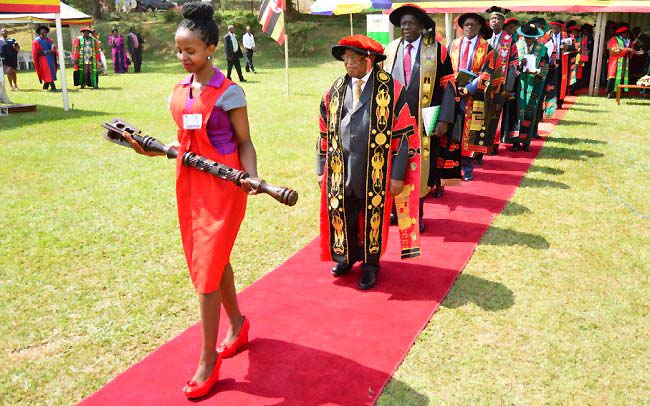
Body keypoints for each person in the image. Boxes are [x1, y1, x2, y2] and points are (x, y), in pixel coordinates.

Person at [124, 2, 257, 399]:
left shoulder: (230, 92)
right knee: (214, 262)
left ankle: (207, 359)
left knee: (205, 272)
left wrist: (251, 175)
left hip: (226, 188)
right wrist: (146, 149)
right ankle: (238, 323)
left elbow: (245, 143)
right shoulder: (179, 91)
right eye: (180, 51)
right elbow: (182, 144)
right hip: (191, 186)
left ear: (211, 48)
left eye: (191, 51)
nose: (184, 58)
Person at [317, 34, 421, 290]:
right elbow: (323, 130)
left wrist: (398, 175)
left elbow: (405, 135)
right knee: (345, 215)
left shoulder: (391, 88)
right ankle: (346, 257)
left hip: (377, 170)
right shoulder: (337, 88)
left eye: (354, 58)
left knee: (373, 219)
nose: (349, 63)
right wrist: (321, 168)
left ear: (370, 60)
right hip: (341, 169)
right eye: (346, 58)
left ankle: (370, 265)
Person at [383, 4, 456, 226]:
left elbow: (448, 86)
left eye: (411, 23)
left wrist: (444, 118)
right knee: (395, 165)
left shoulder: (437, 50)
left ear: (422, 25)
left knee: (421, 166)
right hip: (394, 119)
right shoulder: (390, 48)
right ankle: (396, 211)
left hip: (427, 115)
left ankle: (416, 214)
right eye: (403, 23)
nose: (406, 27)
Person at [448, 13, 493, 182]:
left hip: (474, 96)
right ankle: (452, 165)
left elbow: (487, 73)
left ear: (480, 27)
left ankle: (467, 167)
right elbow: (446, 68)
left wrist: (468, 88)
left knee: (470, 133)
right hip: (452, 93)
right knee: (453, 131)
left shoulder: (487, 48)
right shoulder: (453, 45)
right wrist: (452, 87)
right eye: (466, 24)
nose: (469, 27)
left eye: (473, 24)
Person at [504, 22, 550, 151]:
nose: (528, 40)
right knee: (516, 112)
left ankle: (526, 141)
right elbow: (511, 65)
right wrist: (519, 65)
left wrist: (539, 72)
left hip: (534, 84)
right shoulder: (516, 46)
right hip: (518, 84)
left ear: (535, 37)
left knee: (530, 112)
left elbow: (545, 65)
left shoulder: (542, 49)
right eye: (525, 37)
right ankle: (515, 142)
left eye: (530, 38)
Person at [484, 6, 519, 157]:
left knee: (495, 115)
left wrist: (508, 87)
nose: (494, 21)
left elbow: (513, 65)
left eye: (497, 18)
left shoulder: (510, 40)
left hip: (500, 84)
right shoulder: (483, 38)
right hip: (482, 83)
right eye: (492, 18)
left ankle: (492, 144)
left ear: (503, 21)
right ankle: (477, 145)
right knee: (481, 113)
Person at [606, 24, 643, 98]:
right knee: (613, 76)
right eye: (625, 33)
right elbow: (613, 50)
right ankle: (611, 93)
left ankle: (619, 93)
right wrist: (627, 49)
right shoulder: (614, 39)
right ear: (621, 33)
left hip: (625, 62)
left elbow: (632, 48)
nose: (626, 34)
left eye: (627, 33)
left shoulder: (627, 40)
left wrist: (638, 51)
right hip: (615, 61)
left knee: (622, 77)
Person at [32, 25, 58, 91]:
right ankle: (52, 86)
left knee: (51, 71)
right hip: (43, 59)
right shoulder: (36, 41)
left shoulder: (49, 40)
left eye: (46, 32)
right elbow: (36, 53)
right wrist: (46, 51)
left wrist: (54, 51)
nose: (45, 33)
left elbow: (54, 49)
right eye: (43, 32)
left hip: (51, 58)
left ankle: (45, 86)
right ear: (40, 33)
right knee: (47, 72)